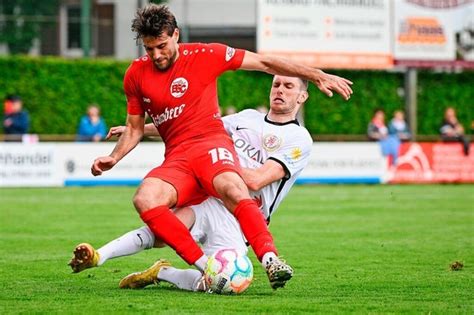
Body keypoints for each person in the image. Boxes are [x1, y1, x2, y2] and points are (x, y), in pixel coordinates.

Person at [87, 4, 352, 290]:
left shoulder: (207, 55)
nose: (156, 55)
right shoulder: (139, 75)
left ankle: (269, 259)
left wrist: (316, 74)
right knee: (146, 201)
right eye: (149, 49)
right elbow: (143, 127)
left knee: (232, 195)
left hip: (214, 160)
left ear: (176, 35)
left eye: (162, 46)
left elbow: (264, 63)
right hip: (182, 160)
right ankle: (196, 265)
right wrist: (115, 155)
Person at [70, 75, 313, 292]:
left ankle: (163, 272)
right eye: (276, 84)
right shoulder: (246, 118)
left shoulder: (299, 138)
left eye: (288, 86)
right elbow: (193, 127)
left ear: (302, 96)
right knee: (162, 233)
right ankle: (98, 256)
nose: (280, 90)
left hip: (241, 219)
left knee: (221, 285)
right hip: (212, 199)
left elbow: (258, 179)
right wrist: (137, 130)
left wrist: (215, 163)